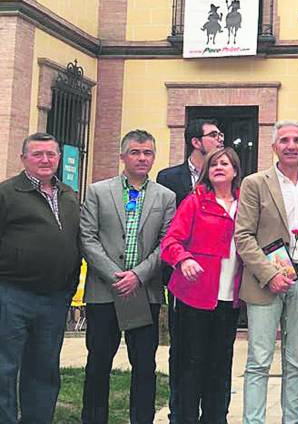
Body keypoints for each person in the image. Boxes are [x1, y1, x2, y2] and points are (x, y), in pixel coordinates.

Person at [80, 130, 176, 424]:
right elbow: (87, 237)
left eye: (147, 153)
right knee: (98, 362)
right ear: (122, 156)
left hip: (144, 292)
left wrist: (137, 275)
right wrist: (114, 275)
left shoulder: (166, 196)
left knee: (144, 365)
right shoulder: (98, 191)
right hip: (104, 291)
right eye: (135, 152)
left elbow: (167, 242)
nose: (142, 158)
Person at [235, 120, 298, 424]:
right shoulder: (255, 183)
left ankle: (292, 420)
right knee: (259, 360)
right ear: (274, 147)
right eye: (284, 140)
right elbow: (243, 236)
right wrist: (269, 274)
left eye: (297, 140)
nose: (291, 145)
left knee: (297, 361)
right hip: (264, 283)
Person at [0, 133, 81, 423]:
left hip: (54, 298)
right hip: (12, 296)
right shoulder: (7, 194)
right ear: (23, 159)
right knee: (4, 368)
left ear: (59, 158)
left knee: (44, 369)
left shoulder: (69, 195)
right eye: (37, 154)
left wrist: (68, 288)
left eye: (51, 154)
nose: (45, 160)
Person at [160, 147, 243, 424]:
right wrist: (183, 259)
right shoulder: (195, 201)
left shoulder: (245, 204)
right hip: (194, 296)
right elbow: (170, 242)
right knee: (190, 365)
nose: (220, 167)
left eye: (226, 163)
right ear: (207, 170)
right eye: (214, 163)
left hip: (228, 299)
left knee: (220, 367)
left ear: (235, 171)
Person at [157, 117, 225, 423]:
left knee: (215, 357)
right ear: (196, 142)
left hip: (220, 285)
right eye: (213, 135)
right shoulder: (170, 178)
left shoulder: (230, 189)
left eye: (221, 135)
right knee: (183, 353)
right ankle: (180, 413)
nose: (220, 139)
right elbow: (166, 230)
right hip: (184, 280)